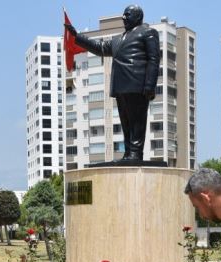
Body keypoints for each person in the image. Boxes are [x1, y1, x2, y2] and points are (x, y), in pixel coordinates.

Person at [65, 5, 160, 161]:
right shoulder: (118, 39)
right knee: (126, 121)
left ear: (138, 16)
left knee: (137, 121)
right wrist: (76, 36)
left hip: (137, 85)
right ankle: (129, 152)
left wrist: (149, 85)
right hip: (120, 86)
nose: (124, 18)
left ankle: (136, 153)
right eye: (123, 15)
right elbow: (100, 48)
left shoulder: (148, 32)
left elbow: (154, 59)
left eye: (127, 15)